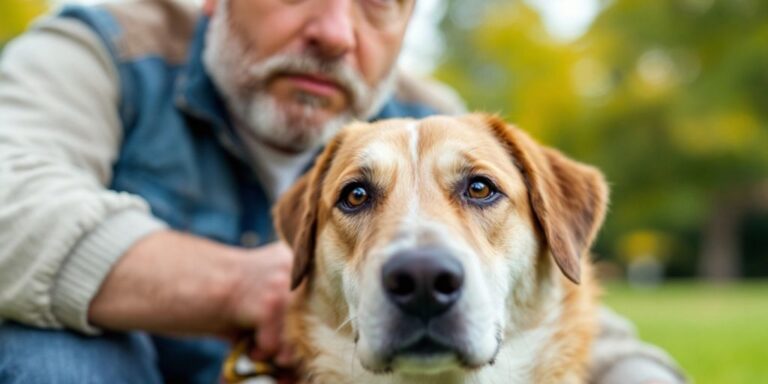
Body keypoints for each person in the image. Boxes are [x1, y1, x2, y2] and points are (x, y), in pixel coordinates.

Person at [0, 0, 685, 383]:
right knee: (56, 352)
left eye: (378, 4)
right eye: (358, 197)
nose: (333, 31)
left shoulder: (432, 118)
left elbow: (554, 295)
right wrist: (236, 283)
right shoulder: (100, 53)